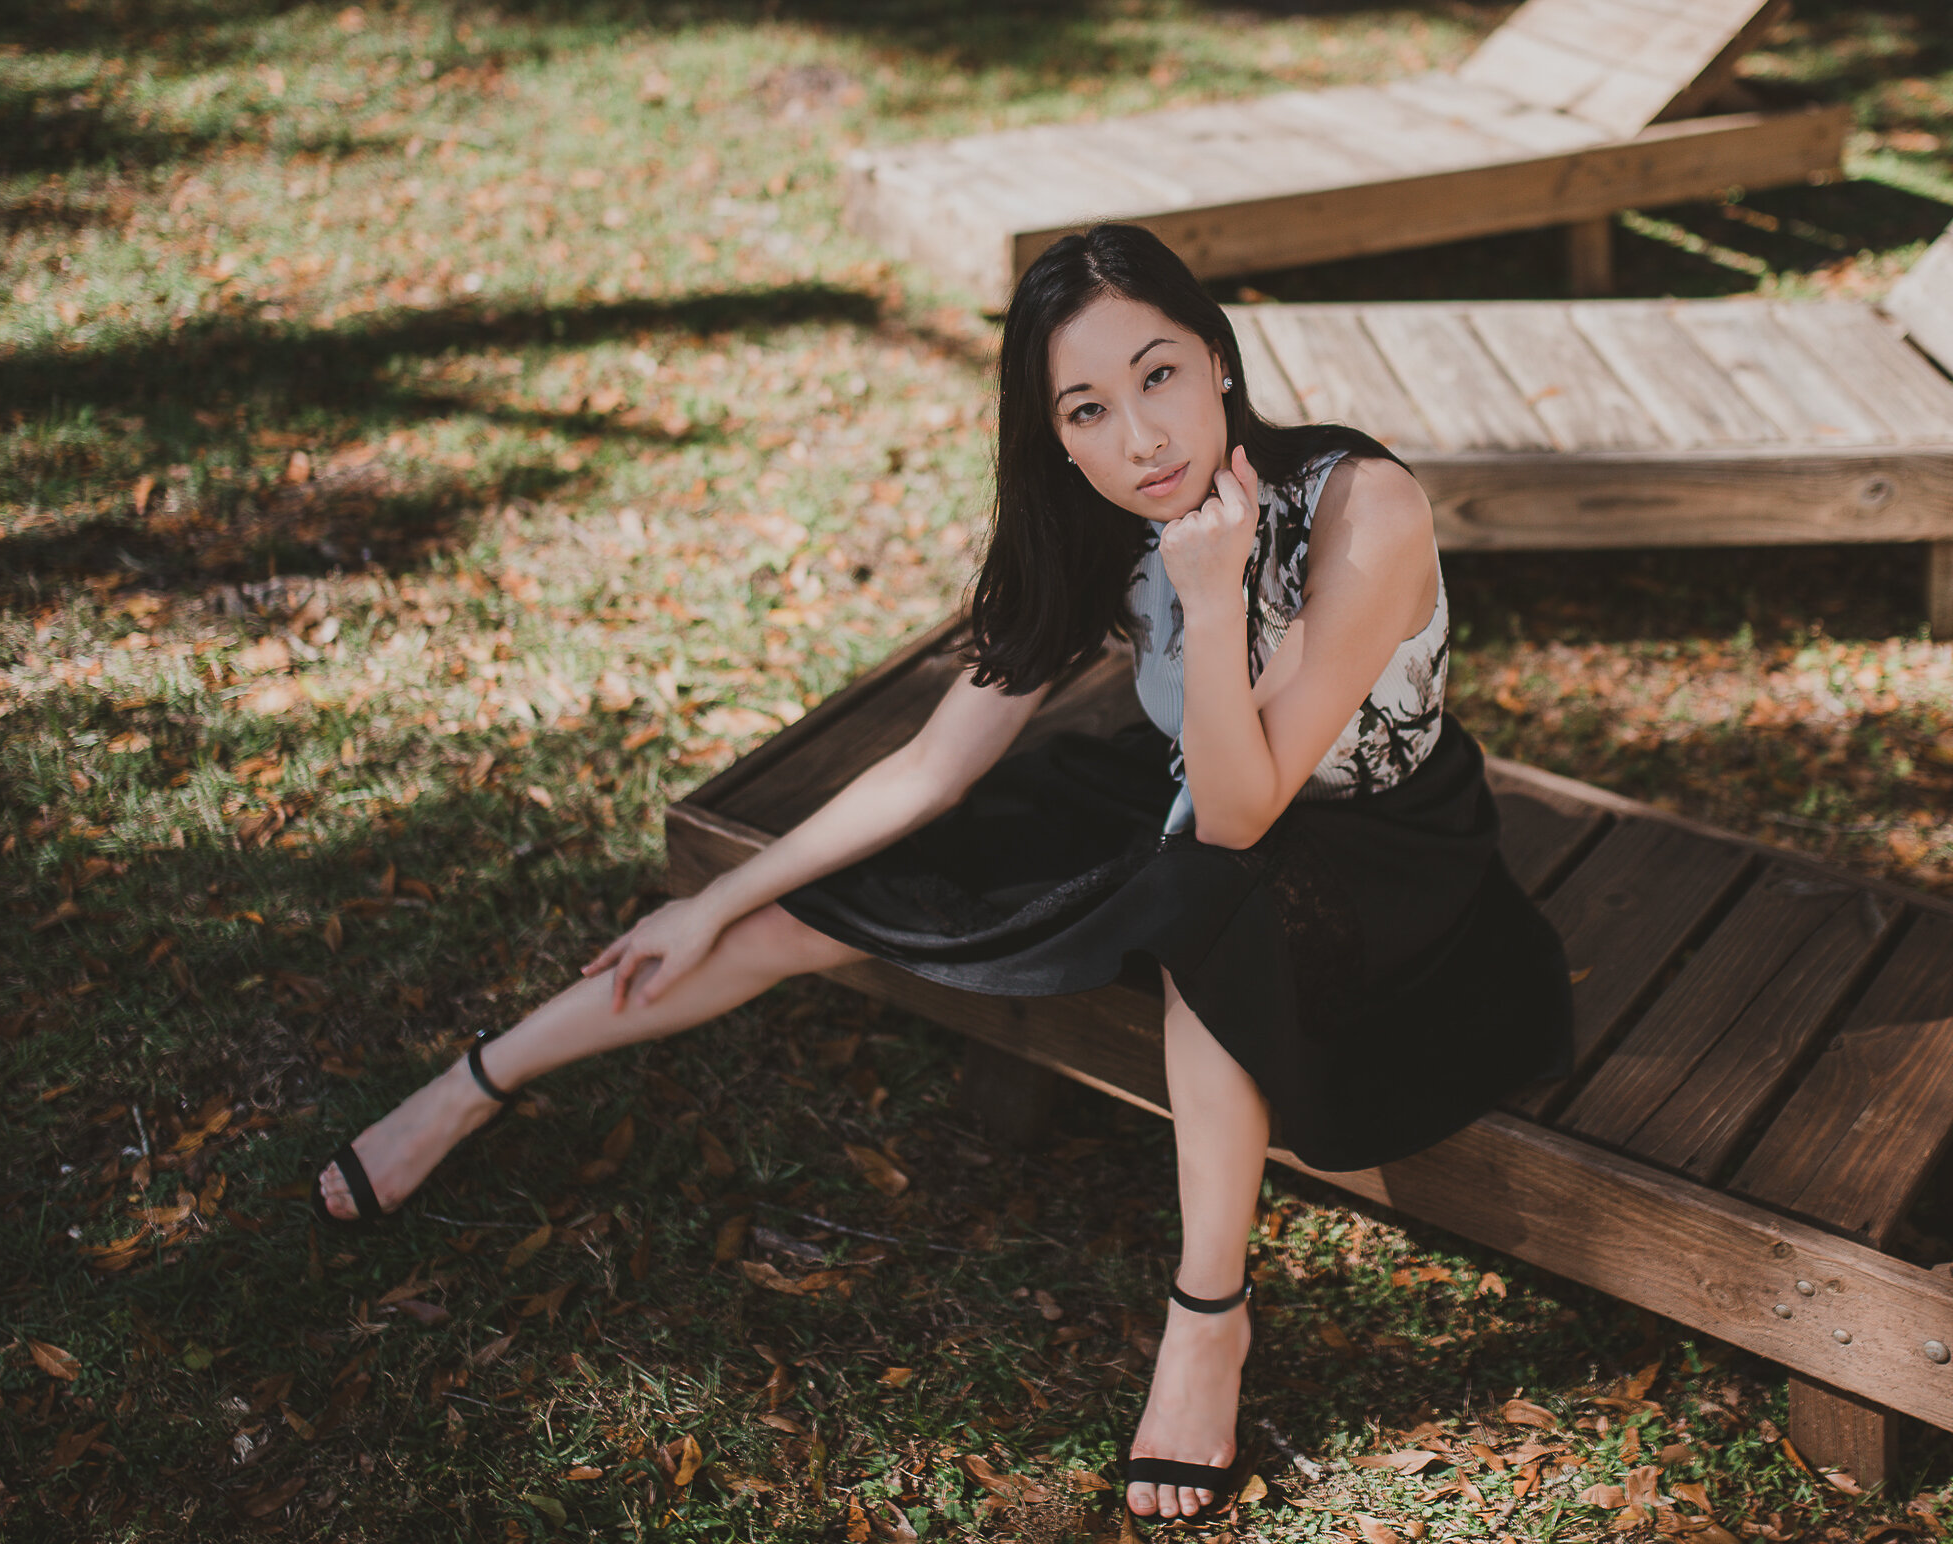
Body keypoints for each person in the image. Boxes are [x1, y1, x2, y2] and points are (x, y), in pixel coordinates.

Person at [310, 222, 1574, 1524]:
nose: (1142, 437)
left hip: (1378, 849)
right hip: (1190, 792)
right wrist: (718, 897)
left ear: (1217, 359)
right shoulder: (1100, 522)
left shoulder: (1364, 508)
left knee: (1212, 908)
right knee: (851, 895)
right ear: (1057, 439)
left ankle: (1209, 1318)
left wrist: (1208, 599)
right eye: (1088, 409)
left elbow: (1249, 817)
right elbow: (933, 766)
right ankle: (472, 1086)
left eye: (1158, 375)